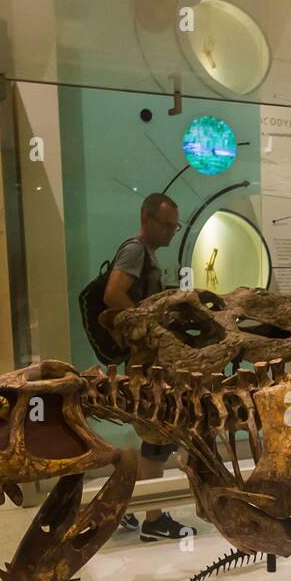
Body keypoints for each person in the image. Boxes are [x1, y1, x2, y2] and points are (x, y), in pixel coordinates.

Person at [102, 192, 198, 543]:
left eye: (176, 226)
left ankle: (129, 508)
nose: (173, 232)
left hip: (149, 361)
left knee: (153, 433)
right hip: (148, 364)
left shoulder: (147, 255)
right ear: (147, 219)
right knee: (157, 435)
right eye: (168, 225)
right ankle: (154, 519)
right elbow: (113, 294)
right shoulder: (135, 251)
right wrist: (151, 330)